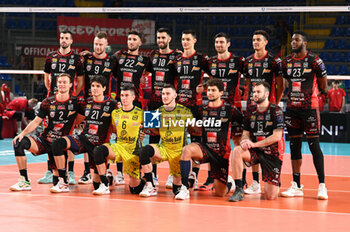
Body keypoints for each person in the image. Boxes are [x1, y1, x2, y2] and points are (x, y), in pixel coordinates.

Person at [9, 73, 85, 191]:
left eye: (64, 82)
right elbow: (35, 122)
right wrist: (22, 134)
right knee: (18, 142)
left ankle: (63, 181)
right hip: (45, 140)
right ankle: (24, 181)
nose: (62, 85)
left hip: (61, 144)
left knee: (56, 181)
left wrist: (69, 127)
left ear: (71, 85)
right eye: (60, 82)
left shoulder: (77, 103)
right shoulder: (48, 102)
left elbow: (80, 119)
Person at [175, 78, 243, 200]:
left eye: (213, 90)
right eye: (209, 90)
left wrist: (244, 138)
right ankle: (184, 188)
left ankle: (229, 183)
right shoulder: (202, 109)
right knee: (186, 150)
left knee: (220, 193)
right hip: (205, 148)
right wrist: (191, 127)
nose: (210, 93)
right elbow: (194, 127)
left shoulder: (230, 109)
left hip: (221, 153)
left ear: (221, 93)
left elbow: (245, 123)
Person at [281, 30, 328, 200]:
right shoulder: (286, 62)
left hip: (309, 108)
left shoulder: (315, 61)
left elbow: (324, 84)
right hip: (292, 108)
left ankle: (322, 185)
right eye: (292, 40)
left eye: (297, 40)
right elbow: (284, 81)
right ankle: (296, 184)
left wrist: (311, 95)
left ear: (304, 43)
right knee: (294, 146)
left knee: (314, 145)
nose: (293, 42)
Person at [50, 75, 117, 193]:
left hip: (99, 145)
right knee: (57, 143)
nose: (94, 89)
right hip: (84, 139)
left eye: (98, 86)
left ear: (104, 88)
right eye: (92, 86)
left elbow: (116, 125)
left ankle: (108, 178)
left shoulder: (112, 104)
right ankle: (63, 181)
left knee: (96, 185)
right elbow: (77, 120)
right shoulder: (87, 102)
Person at [196, 32, 245, 191]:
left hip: (233, 106)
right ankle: (212, 178)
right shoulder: (210, 62)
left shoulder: (237, 61)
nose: (219, 45)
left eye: (222, 42)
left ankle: (241, 180)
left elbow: (251, 77)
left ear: (228, 44)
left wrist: (246, 90)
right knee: (212, 143)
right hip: (215, 108)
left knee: (238, 144)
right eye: (216, 42)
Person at [242, 30, 284, 195]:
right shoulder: (248, 61)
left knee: (274, 142)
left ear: (266, 42)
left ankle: (276, 177)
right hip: (253, 109)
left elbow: (280, 84)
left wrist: (275, 103)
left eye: (258, 40)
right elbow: (247, 83)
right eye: (253, 40)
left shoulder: (274, 61)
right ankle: (255, 183)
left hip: (268, 107)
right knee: (252, 142)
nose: (255, 42)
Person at [41, 30, 84, 184]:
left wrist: (72, 95)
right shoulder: (50, 56)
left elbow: (80, 80)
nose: (63, 40)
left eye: (66, 38)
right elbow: (47, 77)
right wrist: (52, 93)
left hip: (69, 103)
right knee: (49, 135)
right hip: (52, 102)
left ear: (71, 41)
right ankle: (49, 171)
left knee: (68, 136)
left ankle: (70, 172)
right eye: (62, 38)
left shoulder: (77, 58)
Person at [229, 82, 284, 202]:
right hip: (256, 152)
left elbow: (277, 136)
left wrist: (254, 144)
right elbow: (245, 133)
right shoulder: (250, 111)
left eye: (258, 92)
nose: (255, 94)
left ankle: (276, 180)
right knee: (237, 150)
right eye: (254, 92)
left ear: (267, 93)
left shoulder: (276, 110)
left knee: (270, 196)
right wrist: (244, 141)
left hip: (272, 154)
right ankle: (239, 189)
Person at [139, 84, 194, 197]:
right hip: (164, 148)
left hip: (179, 152)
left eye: (167, 94)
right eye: (163, 94)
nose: (164, 96)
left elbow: (195, 130)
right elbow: (156, 132)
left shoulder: (185, 111)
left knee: (176, 190)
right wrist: (145, 131)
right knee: (145, 151)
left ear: (175, 95)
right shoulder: (158, 111)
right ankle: (150, 185)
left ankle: (188, 183)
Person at [111, 30, 151, 184]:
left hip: (138, 102)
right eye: (129, 39)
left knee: (138, 138)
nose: (131, 42)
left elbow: (151, 74)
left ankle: (143, 171)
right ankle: (119, 173)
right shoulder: (119, 58)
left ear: (140, 43)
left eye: (134, 39)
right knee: (120, 137)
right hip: (122, 102)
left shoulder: (145, 60)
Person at [91, 86, 144, 195]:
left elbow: (153, 131)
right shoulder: (115, 113)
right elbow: (113, 130)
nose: (124, 98)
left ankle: (147, 179)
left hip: (133, 150)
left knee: (135, 190)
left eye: (127, 95)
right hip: (119, 147)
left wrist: (142, 133)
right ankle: (105, 183)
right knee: (98, 150)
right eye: (122, 96)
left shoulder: (141, 113)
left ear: (133, 97)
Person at [78, 31, 116, 185]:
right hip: (88, 103)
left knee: (102, 138)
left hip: (106, 105)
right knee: (87, 135)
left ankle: (107, 170)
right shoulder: (86, 58)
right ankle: (87, 171)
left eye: (101, 44)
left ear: (106, 45)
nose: (98, 46)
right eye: (96, 44)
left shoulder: (113, 61)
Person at [174, 29, 210, 190]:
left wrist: (206, 86)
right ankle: (176, 174)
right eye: (183, 39)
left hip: (196, 106)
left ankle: (194, 175)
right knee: (177, 141)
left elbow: (216, 76)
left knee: (196, 142)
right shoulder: (177, 59)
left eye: (188, 39)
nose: (185, 42)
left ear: (194, 40)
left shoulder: (201, 59)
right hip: (179, 107)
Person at [149, 28, 182, 189]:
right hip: (154, 103)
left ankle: (173, 175)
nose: (160, 39)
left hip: (170, 104)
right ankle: (153, 175)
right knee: (152, 138)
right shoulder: (153, 56)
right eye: (158, 37)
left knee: (174, 140)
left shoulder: (177, 56)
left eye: (163, 37)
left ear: (169, 38)